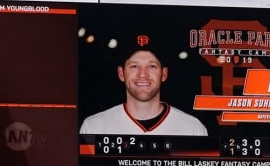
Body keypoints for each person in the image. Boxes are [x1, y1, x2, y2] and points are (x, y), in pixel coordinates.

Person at [78, 44, 210, 137]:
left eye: (151, 66)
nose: (143, 74)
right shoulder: (94, 126)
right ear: (121, 73)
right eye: (134, 66)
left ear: (164, 74)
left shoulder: (192, 128)